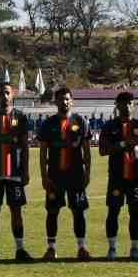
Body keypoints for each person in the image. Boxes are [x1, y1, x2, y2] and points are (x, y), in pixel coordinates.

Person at [0, 81, 33, 261]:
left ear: (13, 95)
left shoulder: (22, 118)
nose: (5, 96)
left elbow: (25, 147)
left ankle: (20, 250)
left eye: (8, 92)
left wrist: (25, 171)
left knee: (16, 210)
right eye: (1, 93)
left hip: (15, 174)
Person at [36, 87, 92, 260]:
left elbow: (87, 151)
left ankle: (81, 248)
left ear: (72, 101)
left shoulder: (80, 121)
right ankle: (51, 248)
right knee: (52, 212)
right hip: (55, 176)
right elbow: (43, 152)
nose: (64, 102)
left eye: (67, 99)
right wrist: (44, 177)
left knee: (78, 211)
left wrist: (87, 174)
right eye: (60, 99)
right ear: (55, 102)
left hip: (75, 175)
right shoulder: (48, 123)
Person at [97, 92, 138, 261]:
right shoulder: (109, 126)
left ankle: (135, 249)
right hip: (116, 176)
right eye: (123, 103)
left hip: (135, 177)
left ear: (134, 105)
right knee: (113, 211)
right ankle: (112, 249)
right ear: (117, 106)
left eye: (130, 103)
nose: (127, 106)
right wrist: (122, 144)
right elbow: (102, 150)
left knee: (135, 212)